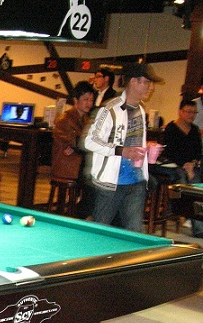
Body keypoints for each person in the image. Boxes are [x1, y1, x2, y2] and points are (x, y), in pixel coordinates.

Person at [83, 63, 163, 232]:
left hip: (136, 181)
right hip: (111, 183)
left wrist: (146, 146)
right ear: (133, 81)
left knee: (134, 232)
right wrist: (121, 150)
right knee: (100, 231)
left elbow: (130, 140)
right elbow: (90, 141)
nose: (151, 87)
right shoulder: (109, 109)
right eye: (147, 82)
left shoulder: (141, 110)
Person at [50, 80, 95, 218]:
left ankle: (78, 212)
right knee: (93, 184)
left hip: (78, 161)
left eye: (91, 100)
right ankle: (76, 214)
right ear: (76, 100)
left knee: (95, 182)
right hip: (68, 164)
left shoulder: (86, 119)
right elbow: (78, 142)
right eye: (85, 99)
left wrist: (77, 147)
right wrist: (78, 146)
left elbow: (80, 143)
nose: (89, 103)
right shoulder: (65, 119)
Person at [161, 99, 202, 237]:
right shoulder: (171, 128)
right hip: (173, 165)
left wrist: (193, 164)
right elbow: (169, 152)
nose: (191, 115)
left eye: (194, 112)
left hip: (191, 166)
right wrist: (185, 166)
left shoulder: (194, 130)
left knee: (197, 182)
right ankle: (189, 218)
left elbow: (198, 152)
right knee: (184, 180)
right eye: (188, 112)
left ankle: (196, 223)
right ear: (180, 112)